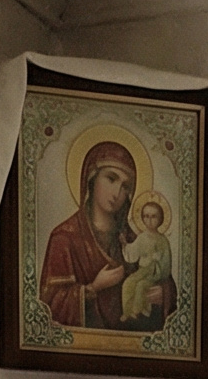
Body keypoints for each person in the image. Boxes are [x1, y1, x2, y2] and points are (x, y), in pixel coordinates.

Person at [40, 141, 173, 333]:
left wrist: (163, 294)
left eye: (126, 186)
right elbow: (48, 305)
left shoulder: (132, 238)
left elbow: (165, 281)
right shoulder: (64, 238)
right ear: (91, 179)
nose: (117, 193)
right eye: (111, 179)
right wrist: (93, 288)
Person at [120, 196, 173, 325]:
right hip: (142, 271)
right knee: (128, 283)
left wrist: (157, 262)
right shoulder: (142, 237)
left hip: (154, 273)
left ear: (160, 219)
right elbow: (132, 253)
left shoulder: (163, 241)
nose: (149, 220)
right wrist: (124, 245)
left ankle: (139, 310)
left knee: (141, 286)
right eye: (146, 216)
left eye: (153, 217)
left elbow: (166, 264)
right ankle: (127, 311)